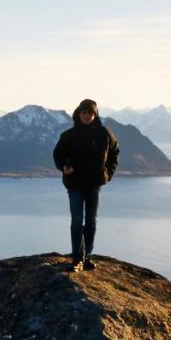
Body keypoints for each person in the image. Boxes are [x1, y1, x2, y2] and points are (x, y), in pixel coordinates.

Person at [52, 98, 119, 272]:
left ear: (95, 114)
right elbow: (58, 154)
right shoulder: (69, 135)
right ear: (78, 114)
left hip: (94, 183)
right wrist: (63, 167)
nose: (86, 115)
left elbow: (115, 151)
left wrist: (108, 174)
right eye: (83, 112)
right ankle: (76, 259)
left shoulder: (104, 133)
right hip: (74, 183)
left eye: (90, 112)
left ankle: (86, 257)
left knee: (90, 221)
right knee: (76, 220)